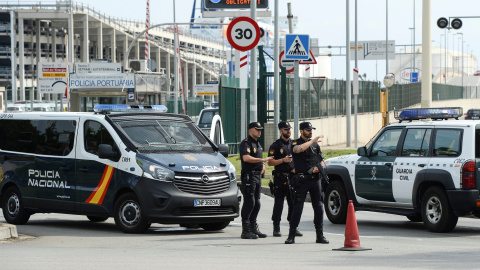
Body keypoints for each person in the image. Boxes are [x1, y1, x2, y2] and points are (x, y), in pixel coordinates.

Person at [285, 121, 329, 244]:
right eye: (308, 130)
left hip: (315, 180)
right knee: (298, 207)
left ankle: (319, 235)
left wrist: (319, 167)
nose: (310, 132)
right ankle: (291, 235)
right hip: (302, 180)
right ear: (301, 131)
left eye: (311, 130)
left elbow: (320, 160)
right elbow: (298, 150)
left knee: (319, 207)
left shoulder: (315, 146)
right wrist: (312, 141)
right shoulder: (295, 143)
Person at [267, 121, 302, 237]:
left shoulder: (294, 144)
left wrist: (296, 168)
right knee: (279, 203)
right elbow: (270, 162)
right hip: (280, 178)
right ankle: (276, 227)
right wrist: (283, 160)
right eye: (286, 129)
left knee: (293, 203)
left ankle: (293, 226)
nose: (289, 131)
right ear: (281, 131)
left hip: (292, 178)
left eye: (289, 129)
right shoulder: (275, 146)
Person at [239, 122, 273, 239]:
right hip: (249, 175)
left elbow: (259, 159)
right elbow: (246, 158)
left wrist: (262, 165)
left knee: (257, 202)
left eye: (260, 130)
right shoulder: (246, 143)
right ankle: (245, 230)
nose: (259, 131)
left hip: (257, 176)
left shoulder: (257, 143)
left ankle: (253, 227)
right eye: (257, 129)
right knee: (250, 201)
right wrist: (262, 160)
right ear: (250, 131)